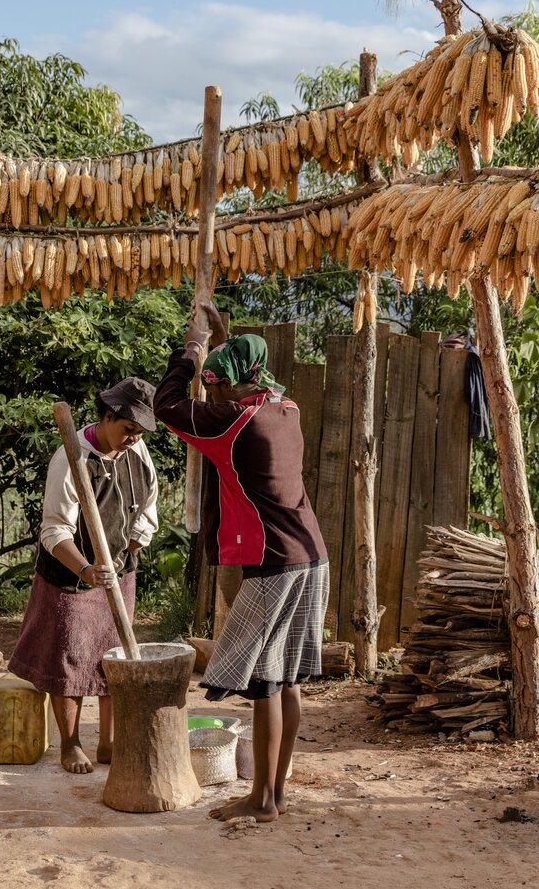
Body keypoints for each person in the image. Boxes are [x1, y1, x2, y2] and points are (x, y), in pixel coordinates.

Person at [154, 303, 328, 823]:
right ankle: (277, 793)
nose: (215, 395)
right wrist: (225, 343)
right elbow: (245, 380)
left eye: (218, 386)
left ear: (233, 387)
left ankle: (261, 800)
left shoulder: (233, 426)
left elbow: (167, 405)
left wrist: (191, 349)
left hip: (273, 561)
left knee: (266, 683)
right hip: (311, 556)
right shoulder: (286, 408)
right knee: (289, 680)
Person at [9, 377, 159, 774]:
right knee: (70, 661)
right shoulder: (71, 458)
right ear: (108, 417)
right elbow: (53, 530)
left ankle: (108, 744)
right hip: (71, 578)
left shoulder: (138, 452)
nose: (133, 438)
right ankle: (70, 744)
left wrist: (131, 547)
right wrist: (87, 569)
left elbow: (147, 506)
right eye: (128, 429)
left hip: (119, 571)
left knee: (114, 659)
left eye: (139, 432)